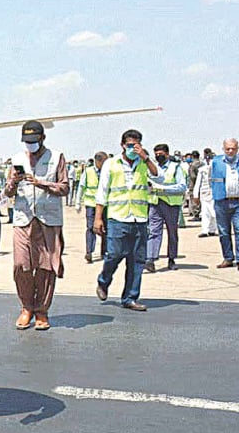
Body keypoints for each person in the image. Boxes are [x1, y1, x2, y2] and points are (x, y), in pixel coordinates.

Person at [4, 120, 67, 330]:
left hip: (48, 220)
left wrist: (42, 184)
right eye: (27, 141)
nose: (30, 145)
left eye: (34, 141)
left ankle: (41, 310)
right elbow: (8, 193)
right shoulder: (17, 159)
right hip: (23, 219)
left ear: (42, 139)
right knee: (21, 265)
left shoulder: (56, 157)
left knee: (46, 267)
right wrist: (13, 181)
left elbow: (65, 188)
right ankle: (26, 307)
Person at [94, 129, 163, 312]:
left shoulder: (144, 163)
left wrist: (146, 158)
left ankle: (130, 298)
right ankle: (104, 281)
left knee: (137, 260)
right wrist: (98, 218)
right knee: (114, 255)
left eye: (136, 145)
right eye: (130, 145)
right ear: (122, 146)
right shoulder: (111, 163)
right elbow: (102, 192)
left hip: (139, 218)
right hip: (118, 217)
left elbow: (159, 176)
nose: (133, 148)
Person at [144, 144, 187, 272]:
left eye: (161, 154)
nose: (158, 156)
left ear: (167, 154)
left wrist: (163, 189)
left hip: (171, 204)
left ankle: (172, 259)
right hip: (155, 203)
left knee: (172, 233)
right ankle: (150, 259)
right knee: (153, 232)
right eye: (156, 154)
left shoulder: (175, 168)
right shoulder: (152, 167)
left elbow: (182, 186)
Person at [211, 138, 239, 271]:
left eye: (233, 148)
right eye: (227, 148)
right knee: (223, 232)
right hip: (221, 202)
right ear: (223, 149)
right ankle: (228, 258)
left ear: (237, 148)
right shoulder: (216, 162)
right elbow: (211, 179)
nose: (230, 151)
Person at [76, 152, 108, 263]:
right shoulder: (88, 171)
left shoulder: (107, 171)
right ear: (97, 161)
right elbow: (81, 186)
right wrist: (78, 202)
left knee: (105, 229)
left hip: (105, 204)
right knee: (90, 228)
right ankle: (89, 252)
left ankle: (105, 252)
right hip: (91, 204)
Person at [193, 150, 217, 237]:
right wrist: (196, 195)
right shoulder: (202, 170)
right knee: (205, 212)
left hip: (215, 193)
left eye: (210, 158)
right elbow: (198, 183)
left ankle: (212, 229)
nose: (208, 160)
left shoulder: (218, 169)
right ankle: (205, 230)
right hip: (204, 193)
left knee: (214, 213)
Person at [187, 150, 202, 220]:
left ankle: (196, 215)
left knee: (194, 199)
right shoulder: (202, 163)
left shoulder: (192, 165)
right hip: (201, 184)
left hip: (193, 185)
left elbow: (192, 176)